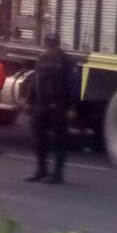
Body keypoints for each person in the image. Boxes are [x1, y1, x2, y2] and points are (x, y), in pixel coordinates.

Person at [26, 34, 73, 184]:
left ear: (58, 45)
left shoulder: (66, 61)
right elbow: (35, 80)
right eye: (48, 45)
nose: (50, 49)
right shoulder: (42, 59)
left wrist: (72, 107)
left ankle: (57, 175)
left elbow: (73, 86)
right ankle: (41, 171)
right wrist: (28, 100)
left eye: (53, 46)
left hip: (58, 106)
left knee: (59, 141)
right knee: (39, 140)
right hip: (41, 105)